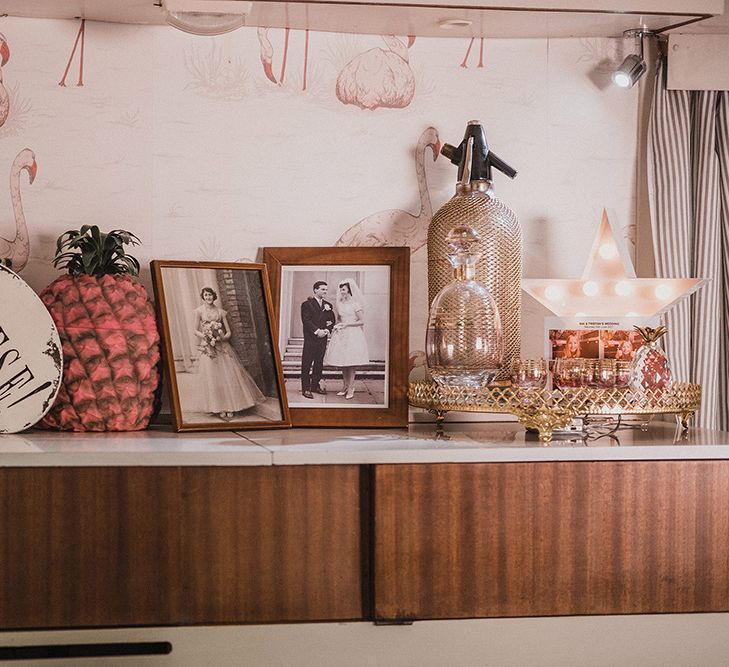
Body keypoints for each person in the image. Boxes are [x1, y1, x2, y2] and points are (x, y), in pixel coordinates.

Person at [193, 286, 264, 420]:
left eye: (210, 295)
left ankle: (231, 406)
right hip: (209, 347)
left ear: (214, 296)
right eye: (206, 295)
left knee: (228, 376)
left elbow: (229, 332)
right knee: (213, 377)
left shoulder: (221, 312)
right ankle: (220, 407)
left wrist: (221, 337)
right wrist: (206, 337)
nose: (208, 298)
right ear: (203, 297)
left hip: (222, 346)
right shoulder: (199, 311)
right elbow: (194, 330)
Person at [323, 279, 370, 400]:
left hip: (353, 334)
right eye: (341, 289)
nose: (341, 292)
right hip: (341, 334)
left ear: (349, 290)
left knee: (351, 362)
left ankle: (351, 387)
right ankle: (345, 386)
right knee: (342, 362)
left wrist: (347, 325)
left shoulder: (356, 304)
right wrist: (336, 325)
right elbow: (339, 319)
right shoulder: (339, 303)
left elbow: (362, 321)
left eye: (343, 289)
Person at [300, 281, 335, 399]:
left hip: (322, 338)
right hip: (311, 338)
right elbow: (306, 320)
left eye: (326, 289)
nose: (325, 291)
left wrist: (326, 330)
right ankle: (305, 388)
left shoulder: (328, 305)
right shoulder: (307, 304)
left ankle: (315, 385)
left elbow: (331, 320)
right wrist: (317, 331)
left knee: (319, 362)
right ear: (315, 290)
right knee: (307, 362)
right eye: (322, 289)